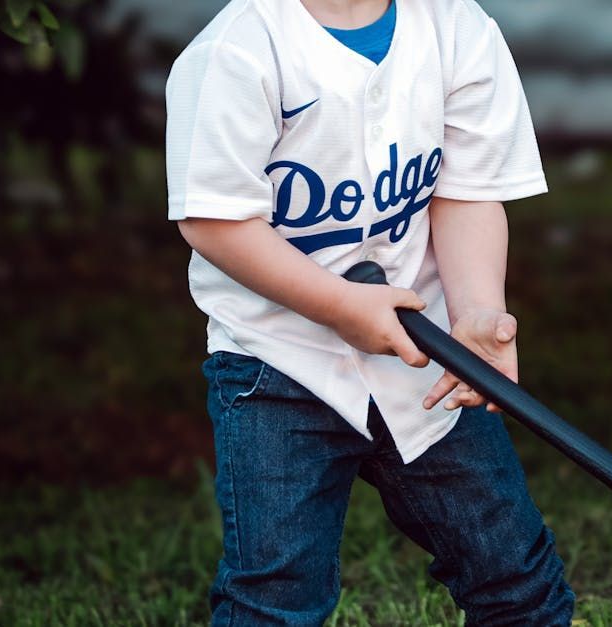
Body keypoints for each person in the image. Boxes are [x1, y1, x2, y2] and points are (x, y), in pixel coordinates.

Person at [164, 0, 574, 623]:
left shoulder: (456, 27)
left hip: (427, 359)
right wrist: (338, 305)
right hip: (276, 364)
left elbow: (465, 192)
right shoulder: (239, 48)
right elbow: (215, 219)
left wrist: (476, 315)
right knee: (276, 596)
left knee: (515, 577)